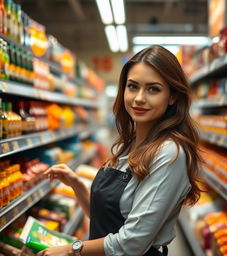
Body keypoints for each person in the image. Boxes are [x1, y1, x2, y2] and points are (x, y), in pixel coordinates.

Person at [37, 45, 202, 256]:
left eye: (153, 89)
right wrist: (77, 185)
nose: (139, 98)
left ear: (172, 97)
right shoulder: (129, 143)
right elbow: (106, 220)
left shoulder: (169, 153)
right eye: (133, 86)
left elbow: (132, 243)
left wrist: (72, 249)